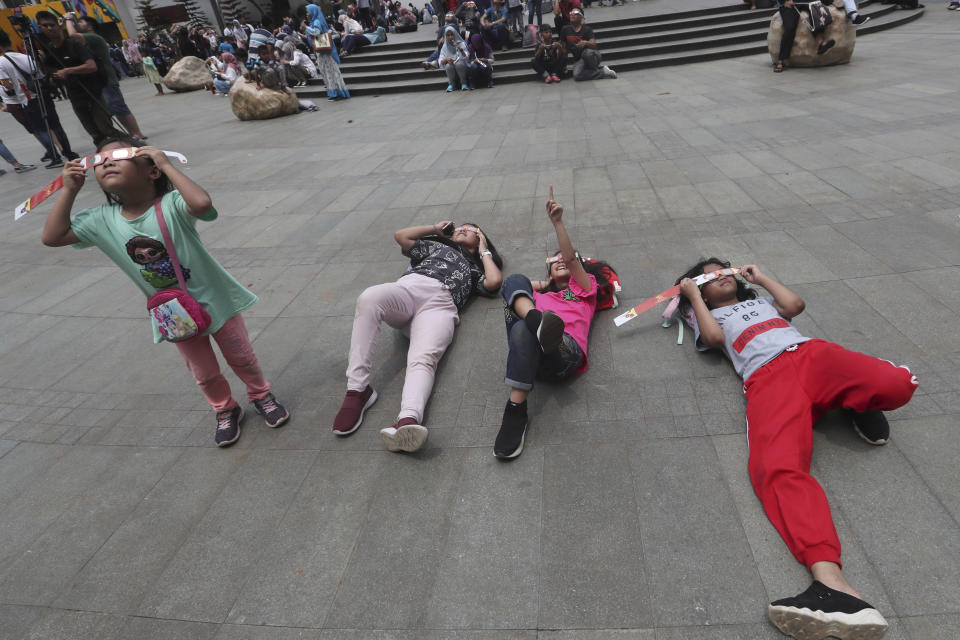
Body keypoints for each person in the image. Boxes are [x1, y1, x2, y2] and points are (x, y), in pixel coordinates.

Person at [675, 258, 917, 640]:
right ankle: (832, 586)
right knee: (773, 468)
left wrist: (762, 278)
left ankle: (857, 404)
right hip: (767, 378)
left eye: (725, 269)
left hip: (810, 355)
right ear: (699, 290)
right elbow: (714, 339)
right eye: (709, 275)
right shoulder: (707, 316)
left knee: (897, 383)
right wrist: (691, 298)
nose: (721, 275)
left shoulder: (761, 303)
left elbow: (795, 306)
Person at [40, 137, 291, 447]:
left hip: (217, 301)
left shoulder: (172, 205)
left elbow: (201, 204)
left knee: (242, 357)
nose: (106, 163)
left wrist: (168, 164)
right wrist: (69, 190)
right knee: (204, 372)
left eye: (119, 156)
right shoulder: (100, 221)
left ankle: (261, 394)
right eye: (99, 161)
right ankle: (224, 408)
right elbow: (52, 237)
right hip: (173, 313)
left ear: (152, 171)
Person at [332, 221, 503, 453]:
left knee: (424, 358)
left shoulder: (476, 268)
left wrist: (483, 250)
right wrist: (435, 228)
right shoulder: (436, 248)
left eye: (472, 229)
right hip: (409, 290)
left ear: (481, 237)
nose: (463, 229)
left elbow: (494, 282)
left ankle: (408, 421)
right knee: (369, 298)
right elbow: (400, 235)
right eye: (460, 227)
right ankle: (357, 390)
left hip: (440, 307)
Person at [494, 188, 609, 459]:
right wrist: (544, 286)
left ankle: (515, 411)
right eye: (554, 261)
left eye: (567, 260)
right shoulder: (540, 295)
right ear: (547, 272)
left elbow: (569, 258)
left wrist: (558, 223)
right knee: (514, 282)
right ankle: (536, 322)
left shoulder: (583, 289)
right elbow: (509, 286)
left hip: (563, 352)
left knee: (523, 324)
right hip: (531, 353)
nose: (561, 261)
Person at [34, 11, 125, 147]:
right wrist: (39, 60)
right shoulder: (50, 49)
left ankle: (136, 147)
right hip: (75, 95)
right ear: (40, 28)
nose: (49, 28)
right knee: (95, 134)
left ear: (59, 25)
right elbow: (48, 70)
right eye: (44, 26)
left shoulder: (74, 44)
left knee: (106, 129)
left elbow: (91, 66)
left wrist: (68, 70)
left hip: (93, 91)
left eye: (52, 25)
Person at [0, 29, 77, 168]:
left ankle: (55, 157)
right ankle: (69, 153)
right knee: (56, 126)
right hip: (43, 95)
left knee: (40, 130)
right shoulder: (26, 57)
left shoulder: (1, 62)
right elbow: (41, 75)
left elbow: (8, 85)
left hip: (27, 98)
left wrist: (10, 86)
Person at [65, 14, 148, 140]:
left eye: (81, 22)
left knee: (118, 106)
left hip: (107, 79)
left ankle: (136, 133)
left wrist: (68, 19)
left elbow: (72, 35)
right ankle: (132, 133)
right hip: (100, 79)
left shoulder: (93, 37)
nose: (78, 24)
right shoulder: (88, 39)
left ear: (89, 26)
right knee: (113, 108)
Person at [304, 3, 351, 100]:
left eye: (308, 12)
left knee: (330, 72)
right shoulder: (314, 21)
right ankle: (334, 93)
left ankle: (339, 93)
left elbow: (316, 33)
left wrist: (306, 27)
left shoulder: (316, 22)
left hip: (325, 52)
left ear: (313, 12)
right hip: (322, 52)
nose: (307, 14)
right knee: (327, 72)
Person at [560, 8, 616, 80]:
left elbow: (594, 44)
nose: (572, 14)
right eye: (571, 13)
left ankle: (594, 69)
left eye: (576, 13)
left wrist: (586, 42)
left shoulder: (587, 29)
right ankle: (603, 72)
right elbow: (564, 49)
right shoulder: (565, 29)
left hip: (593, 55)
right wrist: (564, 64)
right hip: (579, 59)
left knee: (586, 53)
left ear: (581, 17)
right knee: (577, 75)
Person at [438, 25, 469, 91]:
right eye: (448, 35)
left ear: (455, 34)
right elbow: (441, 61)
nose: (450, 37)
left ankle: (464, 83)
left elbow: (466, 57)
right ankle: (452, 84)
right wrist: (446, 59)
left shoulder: (461, 43)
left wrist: (460, 49)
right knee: (448, 66)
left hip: (462, 66)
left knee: (459, 64)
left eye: (452, 35)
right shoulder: (445, 47)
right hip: (452, 66)